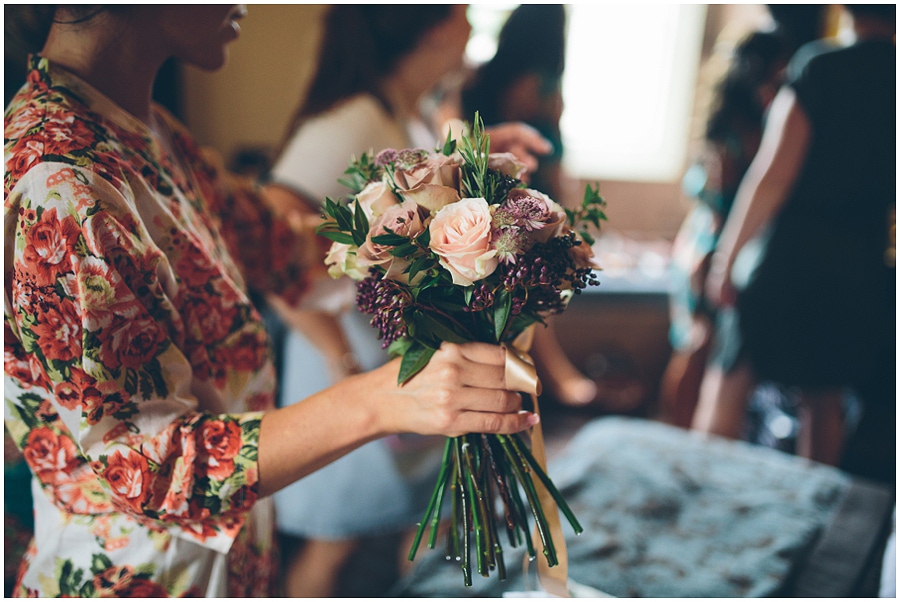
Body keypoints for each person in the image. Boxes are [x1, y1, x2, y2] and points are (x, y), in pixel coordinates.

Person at [3, 5, 539, 597]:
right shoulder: (60, 185)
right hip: (136, 576)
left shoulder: (149, 132)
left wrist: (452, 186)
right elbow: (149, 468)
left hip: (229, 560)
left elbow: (285, 248)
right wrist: (382, 397)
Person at [262, 5, 557, 597]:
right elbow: (269, 257)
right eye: (462, 12)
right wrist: (339, 358)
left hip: (399, 360)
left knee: (415, 521)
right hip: (342, 369)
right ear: (425, 26)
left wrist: (479, 159)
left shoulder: (410, 115)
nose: (473, 25)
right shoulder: (349, 124)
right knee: (334, 543)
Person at [694, 5, 895, 471]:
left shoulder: (820, 65)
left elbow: (772, 176)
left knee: (730, 379)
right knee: (825, 402)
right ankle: (815, 528)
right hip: (861, 262)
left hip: (789, 257)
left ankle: (697, 503)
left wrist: (725, 261)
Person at [457, 4, 603, 409]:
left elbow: (550, 162)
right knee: (524, 269)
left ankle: (544, 370)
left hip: (523, 190)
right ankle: (552, 372)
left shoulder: (496, 80)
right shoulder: (492, 85)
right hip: (492, 194)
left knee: (542, 265)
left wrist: (560, 215)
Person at [658, 29, 794, 428]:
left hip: (695, 246)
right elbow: (721, 209)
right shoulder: (744, 135)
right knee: (699, 348)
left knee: (693, 349)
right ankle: (678, 431)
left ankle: (676, 431)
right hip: (709, 252)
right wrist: (715, 268)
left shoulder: (723, 127)